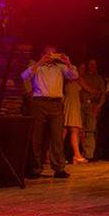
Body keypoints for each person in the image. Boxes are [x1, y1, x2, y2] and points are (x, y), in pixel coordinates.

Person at [21, 46, 78, 179]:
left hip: (56, 104)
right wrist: (40, 62)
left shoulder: (60, 67)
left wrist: (68, 62)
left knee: (57, 137)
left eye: (53, 53)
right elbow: (24, 76)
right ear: (43, 54)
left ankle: (59, 168)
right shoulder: (36, 66)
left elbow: (74, 75)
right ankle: (35, 168)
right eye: (48, 53)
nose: (51, 55)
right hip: (39, 103)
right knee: (37, 136)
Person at [79, 58, 105, 160]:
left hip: (93, 106)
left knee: (91, 130)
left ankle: (89, 154)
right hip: (82, 105)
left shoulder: (99, 79)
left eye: (94, 64)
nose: (92, 66)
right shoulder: (83, 77)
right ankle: (83, 152)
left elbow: (102, 94)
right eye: (90, 64)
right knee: (81, 130)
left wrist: (98, 106)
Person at [63, 63, 85, 164]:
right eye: (81, 68)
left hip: (73, 105)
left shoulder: (72, 82)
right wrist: (97, 92)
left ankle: (50, 155)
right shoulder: (74, 81)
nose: (83, 70)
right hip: (71, 106)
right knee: (73, 131)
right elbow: (87, 88)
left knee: (65, 131)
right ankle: (77, 155)